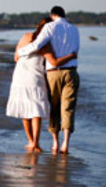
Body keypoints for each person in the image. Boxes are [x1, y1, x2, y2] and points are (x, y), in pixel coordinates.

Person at [6, 18, 77, 152]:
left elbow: (16, 58)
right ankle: (36, 144)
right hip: (34, 78)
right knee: (35, 111)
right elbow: (54, 62)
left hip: (19, 76)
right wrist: (71, 56)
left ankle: (30, 141)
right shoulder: (45, 44)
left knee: (25, 110)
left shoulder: (25, 36)